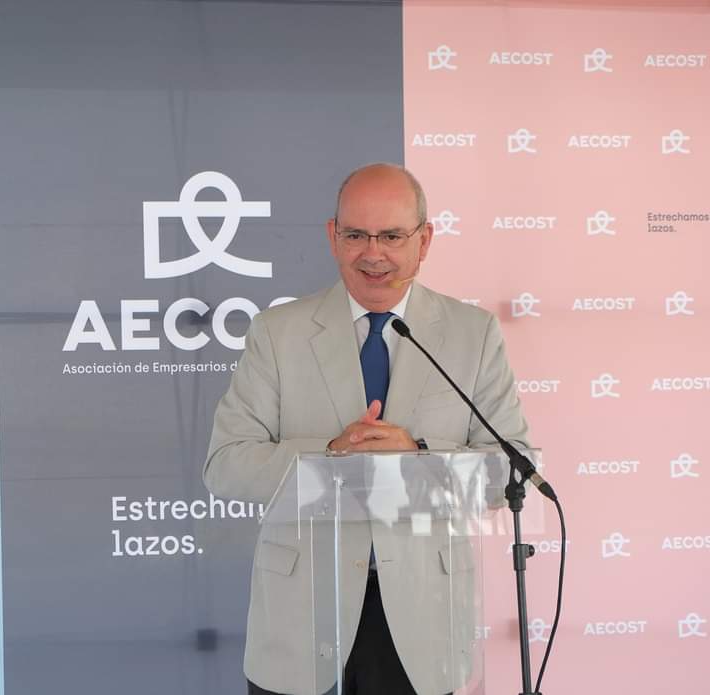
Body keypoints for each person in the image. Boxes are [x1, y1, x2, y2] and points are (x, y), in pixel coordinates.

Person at [204, 163, 530, 695]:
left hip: (424, 618)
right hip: (302, 615)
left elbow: (512, 468)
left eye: (393, 236)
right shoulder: (277, 333)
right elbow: (226, 465)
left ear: (424, 241)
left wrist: (416, 452)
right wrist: (332, 453)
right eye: (356, 235)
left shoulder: (473, 334)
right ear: (333, 237)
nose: (373, 254)